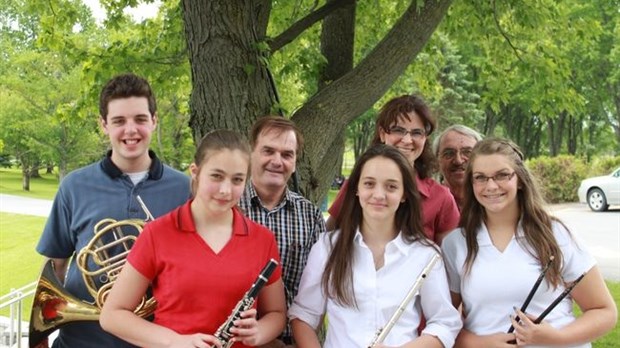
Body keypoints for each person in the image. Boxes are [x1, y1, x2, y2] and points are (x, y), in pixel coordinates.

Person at [35, 73, 191, 348]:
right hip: (81, 341)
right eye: (119, 121)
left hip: (158, 341)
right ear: (104, 125)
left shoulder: (185, 189)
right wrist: (40, 339)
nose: (131, 130)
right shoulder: (74, 185)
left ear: (154, 121)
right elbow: (54, 267)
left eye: (140, 119)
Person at [100, 129, 287, 347]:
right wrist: (174, 342)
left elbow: (276, 313)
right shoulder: (158, 234)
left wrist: (259, 333)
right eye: (216, 176)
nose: (226, 190)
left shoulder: (262, 240)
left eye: (237, 180)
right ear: (195, 172)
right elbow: (112, 315)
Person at [441, 137, 617, 347]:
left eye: (502, 175)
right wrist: (477, 343)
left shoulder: (555, 234)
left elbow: (604, 311)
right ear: (472, 183)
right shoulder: (456, 244)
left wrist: (556, 337)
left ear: (520, 180)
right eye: (480, 177)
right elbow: (443, 321)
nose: (491, 185)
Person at [289, 144, 462, 347]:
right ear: (356, 189)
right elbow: (304, 315)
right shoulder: (328, 248)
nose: (379, 195)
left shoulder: (425, 255)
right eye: (369, 184)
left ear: (404, 194)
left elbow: (444, 323)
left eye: (391, 186)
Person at [237, 116, 326, 346]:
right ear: (251, 153)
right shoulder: (228, 207)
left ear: (295, 162)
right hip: (233, 340)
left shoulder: (311, 217)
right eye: (268, 151)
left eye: (287, 154)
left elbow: (319, 290)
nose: (277, 161)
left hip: (292, 341)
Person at [327, 94, 459, 244]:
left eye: (417, 133)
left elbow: (451, 259)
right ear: (383, 134)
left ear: (424, 139)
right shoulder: (358, 185)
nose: (407, 140)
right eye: (398, 130)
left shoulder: (441, 198)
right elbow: (331, 239)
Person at [432, 124, 483, 210]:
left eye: (467, 152)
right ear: (437, 161)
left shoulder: (493, 201)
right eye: (449, 153)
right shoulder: (427, 203)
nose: (458, 161)